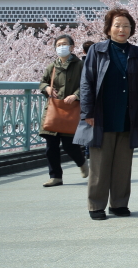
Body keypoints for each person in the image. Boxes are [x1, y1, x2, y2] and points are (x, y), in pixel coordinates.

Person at [79, 9, 138, 220]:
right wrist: (87, 111)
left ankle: (119, 203)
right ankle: (96, 205)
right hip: (102, 115)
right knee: (99, 164)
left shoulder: (136, 53)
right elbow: (86, 82)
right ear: (108, 28)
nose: (121, 29)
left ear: (131, 29)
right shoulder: (97, 51)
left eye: (126, 26)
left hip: (128, 115)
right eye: (117, 25)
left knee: (122, 165)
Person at [39, 34, 89, 187]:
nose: (61, 47)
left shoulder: (80, 65)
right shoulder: (52, 66)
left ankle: (81, 162)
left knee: (69, 144)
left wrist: (76, 95)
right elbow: (42, 83)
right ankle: (55, 176)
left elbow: (87, 84)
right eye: (58, 44)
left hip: (70, 110)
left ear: (72, 47)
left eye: (64, 44)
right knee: (51, 146)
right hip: (53, 110)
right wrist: (46, 88)